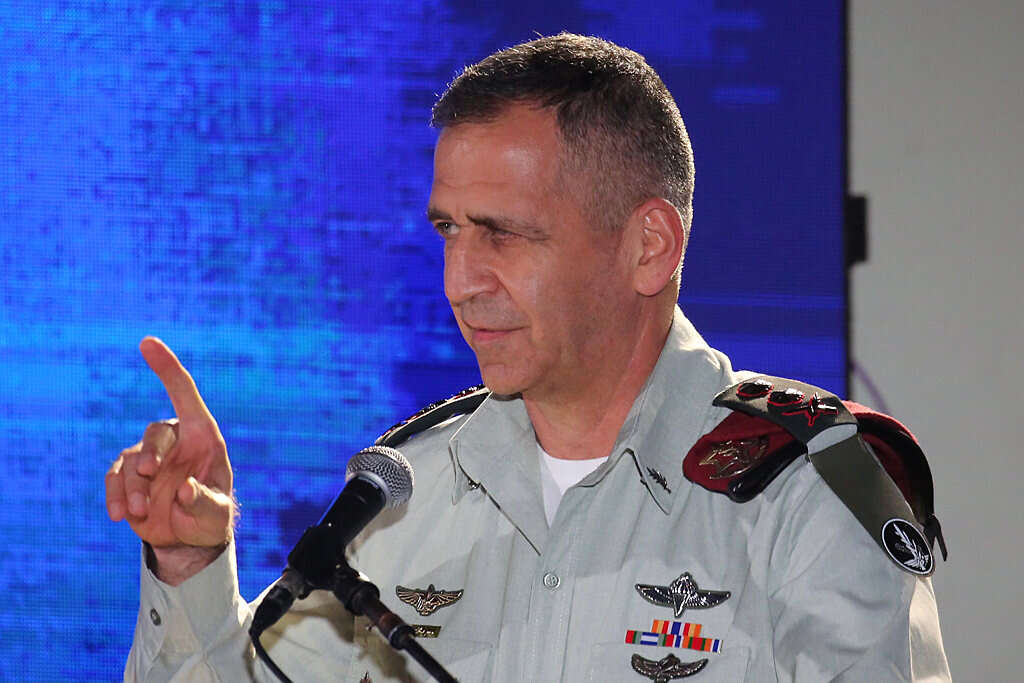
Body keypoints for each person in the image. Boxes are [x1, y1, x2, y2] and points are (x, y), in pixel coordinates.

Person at [106, 33, 951, 682]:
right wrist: (191, 563)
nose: (461, 281)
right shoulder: (403, 494)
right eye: (449, 230)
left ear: (649, 246)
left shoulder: (806, 496)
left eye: (504, 234)